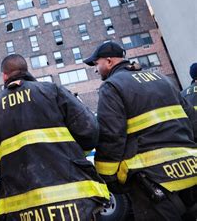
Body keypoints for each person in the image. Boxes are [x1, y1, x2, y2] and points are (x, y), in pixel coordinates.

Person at [0, 54, 109, 220]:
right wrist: (72, 153)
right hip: (74, 200)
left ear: (4, 75)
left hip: (21, 209)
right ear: (26, 70)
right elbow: (89, 131)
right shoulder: (52, 91)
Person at [84, 41, 197, 220]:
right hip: (190, 171)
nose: (96, 69)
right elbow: (192, 120)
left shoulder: (112, 87)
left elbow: (111, 135)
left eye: (97, 64)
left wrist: (108, 178)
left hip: (151, 181)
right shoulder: (162, 79)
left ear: (109, 61)